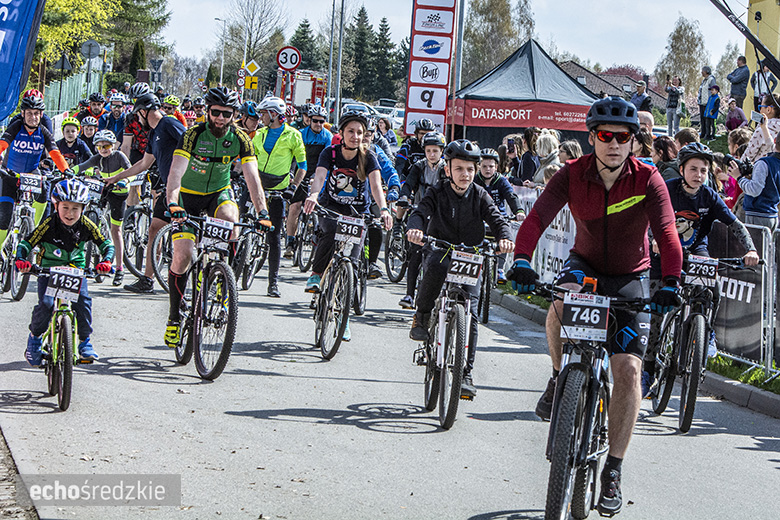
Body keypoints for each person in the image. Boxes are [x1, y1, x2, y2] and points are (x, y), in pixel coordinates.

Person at [507, 96, 683, 516]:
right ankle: (557, 378)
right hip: (583, 266)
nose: (614, 144)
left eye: (623, 137)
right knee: (556, 310)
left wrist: (670, 280)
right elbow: (536, 220)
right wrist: (521, 259)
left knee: (628, 370)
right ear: (592, 138)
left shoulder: (648, 178)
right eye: (605, 136)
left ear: (633, 143)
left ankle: (614, 469)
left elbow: (667, 231)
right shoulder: (572, 173)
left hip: (630, 277)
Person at [642, 143, 759, 395]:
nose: (698, 175)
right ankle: (648, 370)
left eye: (704, 170)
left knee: (712, 286)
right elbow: (648, 218)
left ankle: (707, 332)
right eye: (693, 169)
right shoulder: (667, 189)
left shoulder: (709, 196)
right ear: (681, 169)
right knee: (656, 315)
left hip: (696, 252)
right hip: (664, 252)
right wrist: (653, 237)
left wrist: (750, 249)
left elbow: (735, 224)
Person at [164, 86, 271, 347]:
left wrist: (263, 212)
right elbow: (175, 174)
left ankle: (223, 282)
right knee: (183, 256)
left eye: (227, 113)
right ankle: (174, 318)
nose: (220, 119)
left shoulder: (241, 139)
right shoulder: (192, 135)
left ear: (235, 114)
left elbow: (253, 178)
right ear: (207, 111)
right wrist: (173, 203)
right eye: (215, 112)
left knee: (231, 223)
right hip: (187, 196)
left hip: (218, 193)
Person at [407, 139, 514, 398]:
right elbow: (421, 211)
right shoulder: (437, 191)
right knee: (433, 267)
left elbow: (497, 219)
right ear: (448, 170)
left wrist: (504, 237)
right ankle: (421, 316)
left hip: (471, 255)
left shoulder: (480, 194)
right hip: (441, 248)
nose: (464, 174)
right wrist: (416, 228)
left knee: (471, 314)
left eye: (469, 169)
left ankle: (465, 372)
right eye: (459, 169)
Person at [302, 111, 393, 344]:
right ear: (341, 133)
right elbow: (320, 177)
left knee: (351, 262)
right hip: (331, 207)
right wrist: (313, 195)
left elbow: (375, 185)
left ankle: (344, 318)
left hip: (356, 213)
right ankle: (317, 274)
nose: (355, 136)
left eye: (360, 133)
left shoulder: (368, 157)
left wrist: (383, 209)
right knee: (330, 232)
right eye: (351, 131)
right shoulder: (329, 153)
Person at [17, 179, 114, 366]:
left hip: (75, 271)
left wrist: (106, 261)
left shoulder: (86, 224)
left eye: (75, 208)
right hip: (49, 270)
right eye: (65, 207)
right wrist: (22, 261)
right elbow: (26, 243)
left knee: (83, 302)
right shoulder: (48, 224)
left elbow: (106, 244)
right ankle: (35, 338)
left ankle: (84, 341)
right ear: (56, 205)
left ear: (83, 209)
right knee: (45, 305)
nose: (70, 213)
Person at [104, 92, 186, 294]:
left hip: (185, 188)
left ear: (143, 111)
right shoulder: (153, 135)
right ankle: (147, 280)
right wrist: (117, 177)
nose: (138, 120)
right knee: (154, 229)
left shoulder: (168, 123)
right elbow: (143, 163)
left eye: (138, 115)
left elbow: (190, 140)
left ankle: (194, 278)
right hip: (169, 188)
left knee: (185, 235)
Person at [251, 95, 306, 298]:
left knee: (273, 236)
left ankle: (273, 282)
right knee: (237, 223)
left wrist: (293, 187)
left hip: (278, 188)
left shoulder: (293, 136)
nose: (261, 117)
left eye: (264, 113)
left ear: (273, 114)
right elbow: (248, 160)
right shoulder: (258, 134)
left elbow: (302, 166)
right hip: (257, 185)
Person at [0, 96, 71, 246]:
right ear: (23, 114)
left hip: (32, 173)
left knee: (44, 190)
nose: (33, 117)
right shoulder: (16, 126)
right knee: (4, 217)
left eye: (37, 113)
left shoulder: (43, 132)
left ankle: (33, 228)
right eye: (30, 113)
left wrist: (66, 170)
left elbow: (54, 152)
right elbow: (2, 143)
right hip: (11, 174)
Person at [73, 130, 131, 286]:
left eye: (106, 146)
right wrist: (68, 172)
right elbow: (81, 166)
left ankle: (119, 268)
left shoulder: (119, 156)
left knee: (116, 230)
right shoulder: (98, 158)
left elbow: (131, 172)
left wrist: (124, 182)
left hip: (119, 193)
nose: (103, 149)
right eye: (99, 147)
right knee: (92, 218)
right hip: (105, 189)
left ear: (112, 145)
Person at [396, 132, 447, 309]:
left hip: (439, 215)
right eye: (428, 150)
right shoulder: (419, 166)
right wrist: (403, 196)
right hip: (419, 211)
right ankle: (409, 295)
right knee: (415, 253)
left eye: (435, 150)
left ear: (442, 151)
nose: (432, 154)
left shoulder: (446, 169)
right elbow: (409, 184)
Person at [285, 105, 333, 259]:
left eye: (321, 121)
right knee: (295, 207)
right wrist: (292, 174)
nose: (318, 124)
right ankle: (290, 242)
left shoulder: (327, 136)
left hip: (318, 172)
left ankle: (316, 233)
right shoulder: (301, 134)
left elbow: (327, 160)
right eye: (315, 121)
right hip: (301, 170)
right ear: (309, 121)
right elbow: (294, 157)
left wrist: (320, 177)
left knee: (320, 208)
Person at [475, 147, 523, 283]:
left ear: (496, 167)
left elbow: (511, 196)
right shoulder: (475, 180)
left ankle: (499, 269)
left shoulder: (501, 180)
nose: (487, 169)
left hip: (497, 217)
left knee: (505, 236)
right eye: (484, 166)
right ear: (479, 166)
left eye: (491, 166)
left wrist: (518, 211)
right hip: (478, 217)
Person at [733, 132, 780, 231]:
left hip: (757, 214)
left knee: (754, 246)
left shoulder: (764, 163)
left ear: (775, 140)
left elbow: (754, 190)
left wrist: (739, 177)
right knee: (769, 246)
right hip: (773, 215)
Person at [742, 93, 780, 163]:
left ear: (768, 109)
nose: (760, 111)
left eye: (760, 107)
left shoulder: (762, 131)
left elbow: (747, 157)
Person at [698, 66, 717, 139]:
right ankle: (703, 133)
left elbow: (714, 90)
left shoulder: (711, 79)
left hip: (708, 103)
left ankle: (708, 134)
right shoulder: (704, 80)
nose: (701, 72)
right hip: (702, 102)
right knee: (702, 119)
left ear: (706, 71)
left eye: (702, 71)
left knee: (708, 120)